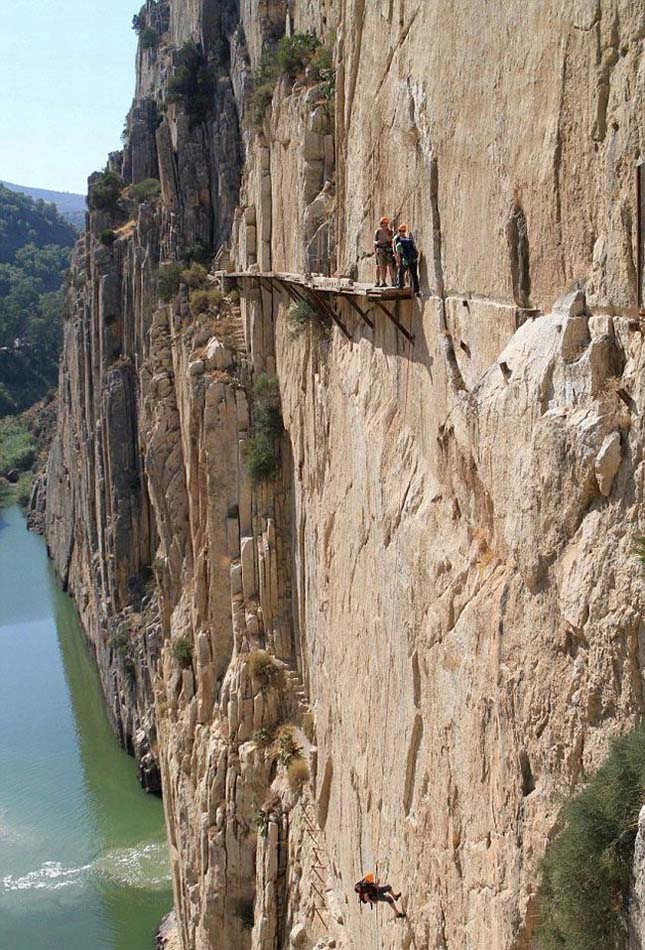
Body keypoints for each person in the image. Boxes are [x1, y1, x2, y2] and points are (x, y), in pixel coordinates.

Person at [393, 224, 420, 295]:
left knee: (401, 272)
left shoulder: (398, 241)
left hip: (405, 260)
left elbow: (397, 253)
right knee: (414, 274)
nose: (402, 232)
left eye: (402, 231)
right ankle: (416, 290)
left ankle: (400, 285)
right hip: (413, 260)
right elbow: (416, 251)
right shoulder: (409, 240)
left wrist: (398, 262)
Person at [373, 217, 397, 288]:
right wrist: (377, 245)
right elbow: (374, 241)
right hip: (380, 250)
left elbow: (390, 240)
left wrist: (385, 232)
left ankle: (393, 281)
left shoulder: (390, 231)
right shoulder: (378, 231)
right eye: (383, 223)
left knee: (390, 265)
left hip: (388, 250)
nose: (385, 225)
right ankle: (379, 281)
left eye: (386, 223)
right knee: (380, 266)